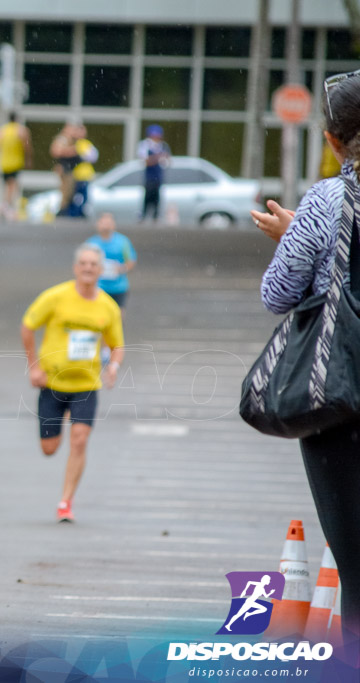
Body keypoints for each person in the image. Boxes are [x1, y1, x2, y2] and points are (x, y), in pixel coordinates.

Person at [257, 69, 360, 663]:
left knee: (354, 559)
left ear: (332, 140)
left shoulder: (325, 202)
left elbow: (277, 294)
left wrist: (294, 236)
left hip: (338, 397)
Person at [20, 243, 124, 523]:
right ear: (76, 268)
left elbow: (117, 345)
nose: (89, 268)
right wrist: (34, 367)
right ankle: (54, 433)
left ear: (101, 271)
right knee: (50, 448)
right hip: (52, 383)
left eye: (94, 265)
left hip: (86, 385)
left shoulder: (108, 306)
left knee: (79, 441)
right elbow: (28, 326)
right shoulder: (56, 296)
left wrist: (113, 367)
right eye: (84, 264)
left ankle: (65, 501)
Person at [0, 112, 32, 220]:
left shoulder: (1, 131)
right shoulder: (21, 131)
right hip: (15, 162)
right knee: (12, 185)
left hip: (3, 163)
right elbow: (27, 147)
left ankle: (6, 206)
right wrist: (28, 159)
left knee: (8, 185)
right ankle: (6, 206)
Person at [86, 212, 137, 309]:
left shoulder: (123, 242)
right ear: (97, 224)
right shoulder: (91, 243)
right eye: (103, 223)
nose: (106, 226)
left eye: (108, 223)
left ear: (114, 225)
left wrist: (122, 268)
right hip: (98, 287)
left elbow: (131, 260)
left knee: (118, 316)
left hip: (118, 287)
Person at [136, 124, 170, 223]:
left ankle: (156, 216)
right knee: (147, 196)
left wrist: (160, 159)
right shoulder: (145, 145)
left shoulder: (163, 146)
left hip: (158, 176)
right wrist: (157, 158)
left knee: (157, 197)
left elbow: (167, 161)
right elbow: (145, 161)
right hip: (149, 176)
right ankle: (144, 215)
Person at [50, 123, 82, 217]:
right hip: (65, 169)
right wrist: (72, 150)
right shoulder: (62, 139)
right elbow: (56, 151)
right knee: (65, 191)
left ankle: (65, 210)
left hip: (70, 169)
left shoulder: (72, 140)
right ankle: (62, 212)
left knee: (69, 191)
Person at [69, 125, 98, 218]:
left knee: (83, 196)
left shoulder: (85, 143)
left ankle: (79, 213)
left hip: (85, 175)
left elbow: (93, 156)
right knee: (78, 196)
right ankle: (76, 213)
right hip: (78, 175)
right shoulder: (76, 144)